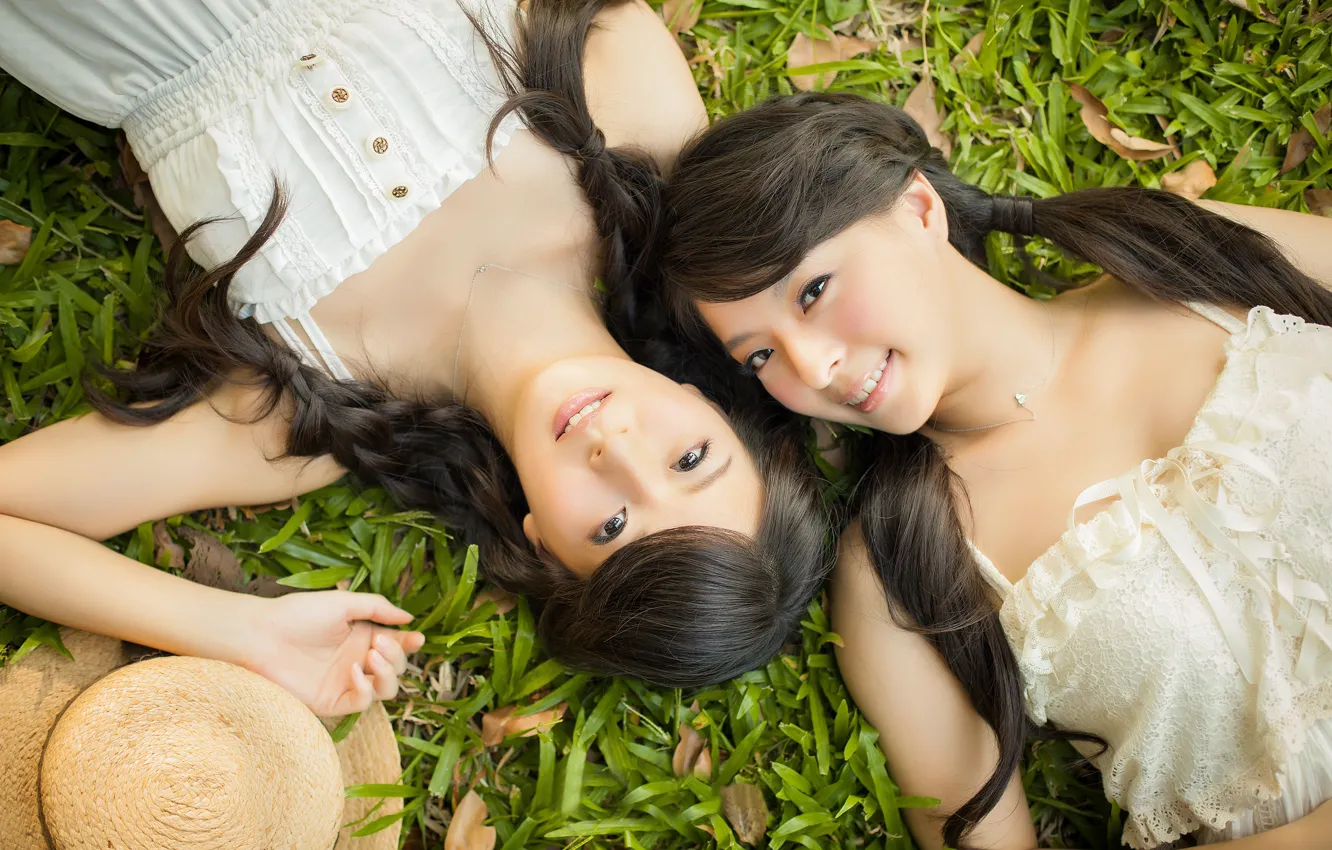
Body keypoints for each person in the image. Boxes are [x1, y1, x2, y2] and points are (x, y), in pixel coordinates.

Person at [0, 0, 828, 718]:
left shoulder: (311, 409)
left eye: (611, 526)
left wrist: (242, 632)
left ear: (544, 548)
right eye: (690, 458)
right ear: (712, 403)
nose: (617, 452)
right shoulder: (640, 146)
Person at [643, 91, 1332, 848]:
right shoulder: (901, 568)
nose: (813, 367)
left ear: (917, 209)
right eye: (762, 356)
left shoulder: (1178, 252)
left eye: (812, 290)